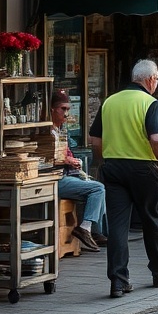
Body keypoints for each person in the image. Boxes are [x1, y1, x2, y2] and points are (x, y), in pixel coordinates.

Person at [89, 59, 158, 299]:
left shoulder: (109, 101)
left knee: (118, 225)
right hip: (143, 168)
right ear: (150, 79)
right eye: (157, 79)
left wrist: (103, 163)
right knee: (152, 219)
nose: (156, 84)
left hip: (114, 168)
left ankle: (118, 281)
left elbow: (95, 141)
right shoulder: (149, 102)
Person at [50, 90, 107, 252]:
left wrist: (73, 161)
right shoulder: (46, 132)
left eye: (68, 109)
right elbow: (47, 157)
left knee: (98, 187)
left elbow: (66, 154)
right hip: (56, 178)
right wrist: (67, 161)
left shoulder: (60, 130)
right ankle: (86, 228)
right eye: (63, 109)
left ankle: (96, 232)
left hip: (67, 174)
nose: (66, 113)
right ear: (52, 110)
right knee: (98, 188)